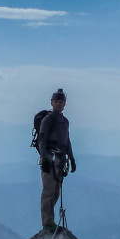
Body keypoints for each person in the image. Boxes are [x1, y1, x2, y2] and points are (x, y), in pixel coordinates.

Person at [37, 88, 76, 231]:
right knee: (48, 191)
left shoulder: (65, 121)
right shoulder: (48, 120)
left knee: (55, 192)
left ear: (65, 104)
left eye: (61, 102)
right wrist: (45, 158)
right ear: (52, 103)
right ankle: (47, 223)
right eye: (56, 101)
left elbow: (67, 140)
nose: (59, 104)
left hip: (61, 160)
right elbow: (42, 139)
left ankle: (50, 221)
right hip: (50, 159)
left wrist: (71, 158)